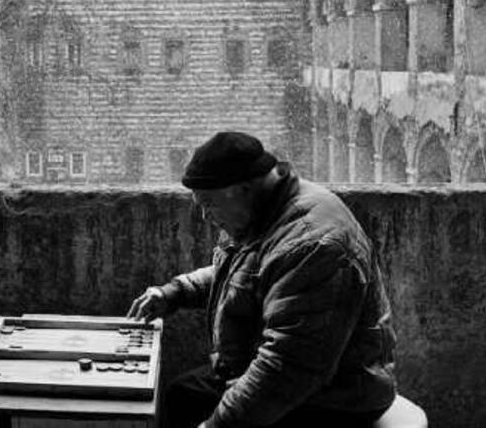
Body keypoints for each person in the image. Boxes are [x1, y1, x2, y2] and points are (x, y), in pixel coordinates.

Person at [127, 131, 396, 428]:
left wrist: (216, 426)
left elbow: (286, 371)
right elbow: (241, 273)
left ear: (243, 189)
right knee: (182, 396)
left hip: (333, 398)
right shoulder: (263, 211)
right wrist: (175, 292)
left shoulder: (314, 244)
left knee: (194, 409)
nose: (205, 216)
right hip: (284, 373)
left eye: (209, 204)